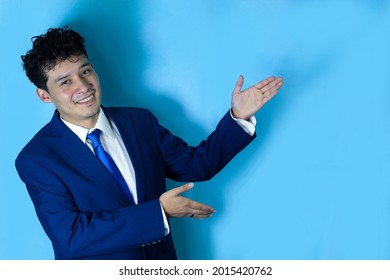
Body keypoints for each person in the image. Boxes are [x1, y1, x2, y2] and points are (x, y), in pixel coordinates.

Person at [15, 26, 283, 260]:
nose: (83, 86)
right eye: (66, 81)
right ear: (44, 95)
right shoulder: (38, 159)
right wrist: (159, 212)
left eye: (85, 71)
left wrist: (237, 116)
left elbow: (197, 165)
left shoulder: (139, 122)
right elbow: (70, 237)